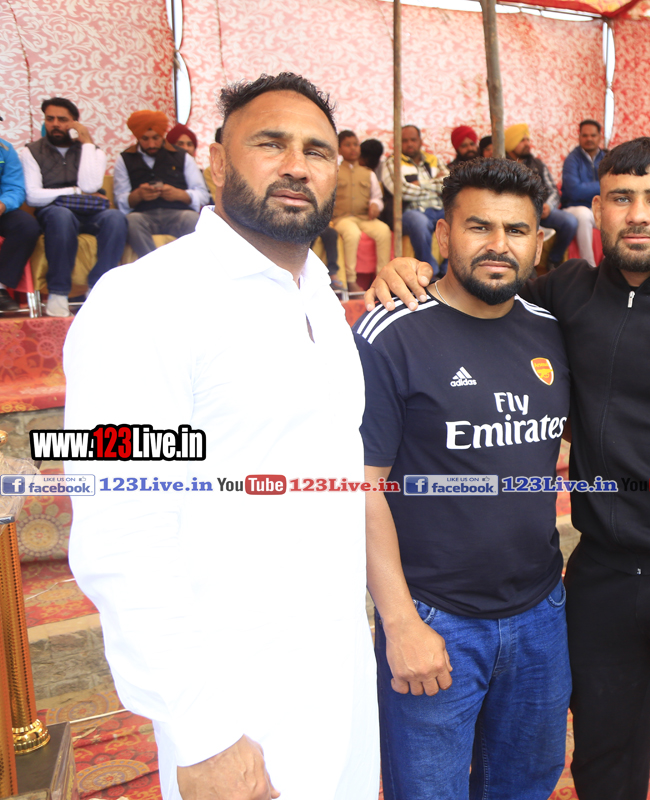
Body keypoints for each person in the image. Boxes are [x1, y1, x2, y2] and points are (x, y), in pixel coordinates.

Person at [368, 137, 650, 800]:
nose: (638, 214)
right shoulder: (566, 296)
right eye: (620, 198)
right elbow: (483, 280)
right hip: (601, 578)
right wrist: (407, 270)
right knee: (602, 765)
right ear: (596, 209)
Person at [63, 72, 379, 800]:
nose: (297, 165)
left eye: (317, 151)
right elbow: (121, 533)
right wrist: (200, 730)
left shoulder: (320, 298)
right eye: (271, 144)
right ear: (214, 163)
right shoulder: (143, 303)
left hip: (338, 671)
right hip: (234, 697)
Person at [356, 157, 571, 800]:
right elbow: (361, 489)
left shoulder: (552, 332)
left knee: (526, 786)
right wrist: (400, 623)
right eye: (479, 227)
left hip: (541, 611)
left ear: (539, 242)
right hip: (435, 617)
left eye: (516, 230)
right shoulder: (392, 331)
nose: (499, 244)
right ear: (444, 235)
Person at [19, 96, 127, 317]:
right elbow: (33, 196)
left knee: (116, 218)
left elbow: (91, 185)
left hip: (90, 212)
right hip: (53, 212)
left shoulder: (94, 151)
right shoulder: (30, 151)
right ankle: (58, 292)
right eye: (50, 119)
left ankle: (97, 288)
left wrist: (86, 142)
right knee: (61, 216)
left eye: (62, 120)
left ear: (75, 123)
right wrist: (75, 191)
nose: (55, 124)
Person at [114, 110, 209, 258]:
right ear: (137, 137)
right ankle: (153, 265)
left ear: (162, 135)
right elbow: (120, 198)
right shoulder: (124, 159)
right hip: (144, 215)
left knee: (192, 219)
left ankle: (190, 264)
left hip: (178, 214)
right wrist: (138, 195)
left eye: (156, 138)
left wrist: (180, 194)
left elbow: (203, 194)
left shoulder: (182, 156)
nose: (151, 144)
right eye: (145, 139)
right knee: (131, 221)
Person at [505, 124, 576, 267]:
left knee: (570, 222)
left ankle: (554, 260)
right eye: (522, 140)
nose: (527, 143)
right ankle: (525, 266)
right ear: (511, 143)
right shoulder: (503, 165)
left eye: (527, 139)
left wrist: (548, 206)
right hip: (515, 213)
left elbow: (553, 190)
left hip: (541, 212)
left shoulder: (538, 164)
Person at [332, 129, 390, 289]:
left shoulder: (368, 173)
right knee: (352, 233)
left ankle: (382, 279)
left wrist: (375, 205)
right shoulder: (334, 172)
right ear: (339, 150)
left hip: (365, 218)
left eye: (355, 144)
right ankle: (351, 280)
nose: (353, 148)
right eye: (347, 145)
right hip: (342, 218)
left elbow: (377, 197)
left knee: (384, 231)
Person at [389, 125, 447, 270]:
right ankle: (429, 269)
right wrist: (434, 184)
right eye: (404, 141)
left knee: (458, 218)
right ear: (397, 142)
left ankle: (449, 269)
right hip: (412, 211)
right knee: (419, 222)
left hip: (439, 208)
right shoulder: (393, 162)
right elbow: (401, 191)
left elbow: (448, 184)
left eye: (413, 140)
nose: (409, 144)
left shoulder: (433, 160)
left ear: (420, 141)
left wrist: (419, 184)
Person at [0, 135, 41, 312]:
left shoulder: (5, 149)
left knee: (27, 226)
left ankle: (1, 286)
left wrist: (3, 204)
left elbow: (15, 188)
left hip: (1, 211)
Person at [560, 119, 606, 266]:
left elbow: (616, 185)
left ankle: (609, 265)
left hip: (599, 208)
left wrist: (588, 187)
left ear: (600, 137)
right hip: (574, 208)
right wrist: (603, 185)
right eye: (585, 135)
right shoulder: (572, 159)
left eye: (593, 135)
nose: (589, 139)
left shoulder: (606, 158)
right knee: (584, 214)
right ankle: (589, 266)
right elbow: (574, 191)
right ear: (579, 137)